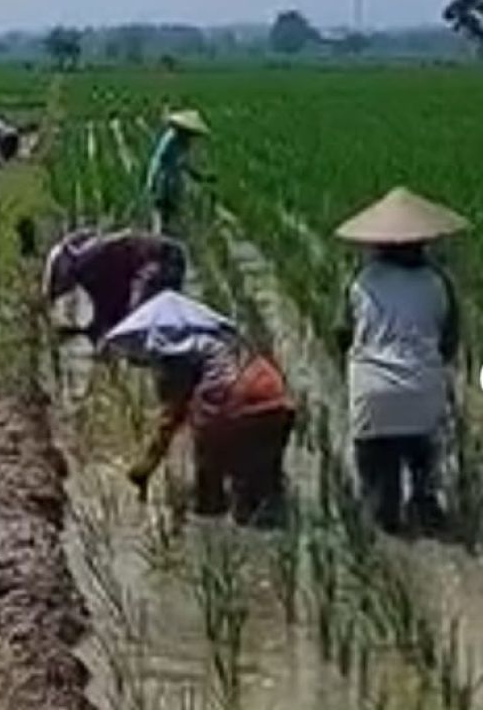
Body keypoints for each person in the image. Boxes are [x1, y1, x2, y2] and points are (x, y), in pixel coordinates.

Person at [333, 187, 468, 535]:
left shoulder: (361, 282)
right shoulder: (438, 283)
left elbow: (342, 333)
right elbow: (449, 343)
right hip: (422, 392)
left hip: (372, 394)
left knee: (379, 484)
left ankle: (386, 520)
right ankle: (424, 506)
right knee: (423, 461)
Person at [103, 291, 297, 525]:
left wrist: (144, 468)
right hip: (274, 395)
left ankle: (213, 529)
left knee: (209, 481)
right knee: (265, 484)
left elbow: (171, 418)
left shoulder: (177, 355)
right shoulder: (226, 338)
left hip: (231, 399)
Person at [43, 228, 188, 343]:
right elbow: (106, 313)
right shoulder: (91, 262)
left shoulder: (89, 266)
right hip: (162, 258)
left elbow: (107, 312)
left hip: (161, 259)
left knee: (139, 319)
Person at [145, 109, 212, 235]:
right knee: (161, 217)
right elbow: (164, 165)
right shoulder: (173, 141)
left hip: (169, 183)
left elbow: (183, 164)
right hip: (163, 184)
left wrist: (199, 176)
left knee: (168, 218)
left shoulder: (179, 141)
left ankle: (162, 238)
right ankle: (159, 241)